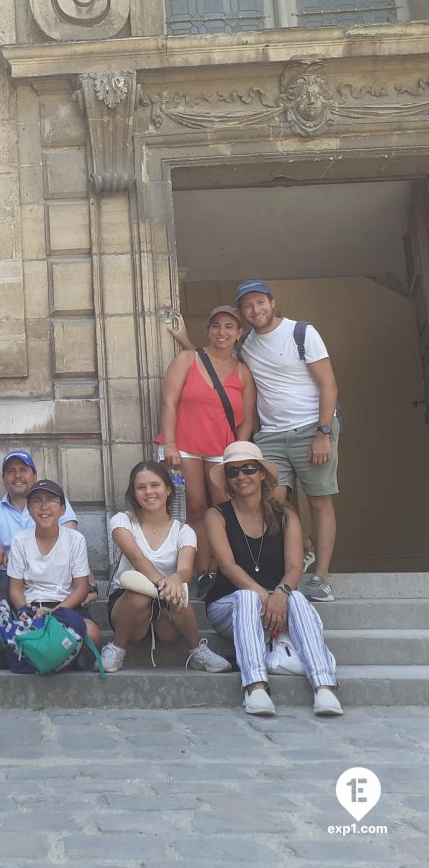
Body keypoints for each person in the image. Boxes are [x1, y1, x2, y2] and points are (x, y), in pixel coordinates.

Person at [203, 441, 343, 717]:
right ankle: (255, 686)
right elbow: (228, 566)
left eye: (249, 469)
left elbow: (294, 565)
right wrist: (265, 596)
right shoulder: (216, 515)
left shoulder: (285, 514)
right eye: (233, 472)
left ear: (262, 474)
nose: (241, 476)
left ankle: (324, 685)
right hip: (228, 605)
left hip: (273, 600)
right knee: (246, 597)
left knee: (299, 598)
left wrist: (281, 593)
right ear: (228, 480)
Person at [235, 280, 340, 602]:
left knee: (319, 501)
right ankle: (304, 547)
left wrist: (324, 433)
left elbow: (328, 384)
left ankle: (321, 577)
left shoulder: (302, 332)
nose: (255, 310)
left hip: (312, 428)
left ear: (272, 302)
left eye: (260, 303)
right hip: (271, 434)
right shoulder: (246, 344)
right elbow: (216, 357)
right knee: (271, 502)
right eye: (248, 306)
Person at [159, 306, 256, 599]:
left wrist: (239, 452)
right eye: (216, 326)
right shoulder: (187, 358)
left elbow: (248, 418)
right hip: (186, 445)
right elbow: (168, 402)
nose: (222, 332)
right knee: (197, 507)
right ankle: (205, 571)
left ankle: (227, 568)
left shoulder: (243, 371)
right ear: (208, 330)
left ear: (239, 334)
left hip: (223, 449)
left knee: (225, 509)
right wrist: (170, 444)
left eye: (229, 327)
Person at [100, 462, 232, 675]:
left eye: (155, 485)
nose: (149, 492)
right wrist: (166, 582)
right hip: (128, 609)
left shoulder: (184, 530)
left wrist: (176, 580)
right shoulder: (122, 521)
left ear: (168, 489)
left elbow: (186, 571)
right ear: (134, 493)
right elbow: (137, 557)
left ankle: (197, 651)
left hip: (166, 613)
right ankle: (116, 648)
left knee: (176, 595)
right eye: (141, 487)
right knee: (140, 594)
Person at [0, 479, 102, 666]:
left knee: (93, 632)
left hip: (65, 607)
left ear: (62, 509)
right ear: (29, 508)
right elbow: (16, 588)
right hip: (30, 609)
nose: (44, 507)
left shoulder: (75, 539)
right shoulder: (20, 540)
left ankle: (16, 655)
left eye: (50, 500)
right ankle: (62, 657)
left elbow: (81, 588)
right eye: (36, 501)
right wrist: (23, 609)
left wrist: (57, 613)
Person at [0, 450, 79, 584]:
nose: (17, 475)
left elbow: (70, 539)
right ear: (3, 479)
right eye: (11, 471)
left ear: (34, 477)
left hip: (48, 570)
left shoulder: (56, 503)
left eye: (23, 470)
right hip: (4, 574)